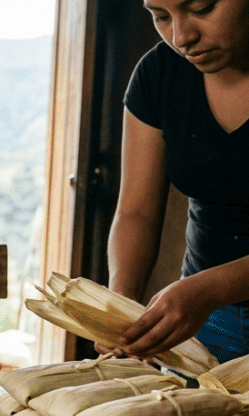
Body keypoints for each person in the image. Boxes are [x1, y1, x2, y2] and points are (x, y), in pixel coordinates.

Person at [104, 0, 249, 364]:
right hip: (206, 321)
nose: (182, 37)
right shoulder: (159, 73)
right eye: (161, 16)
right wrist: (120, 307)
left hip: (203, 298)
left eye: (202, 8)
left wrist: (211, 288)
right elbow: (137, 212)